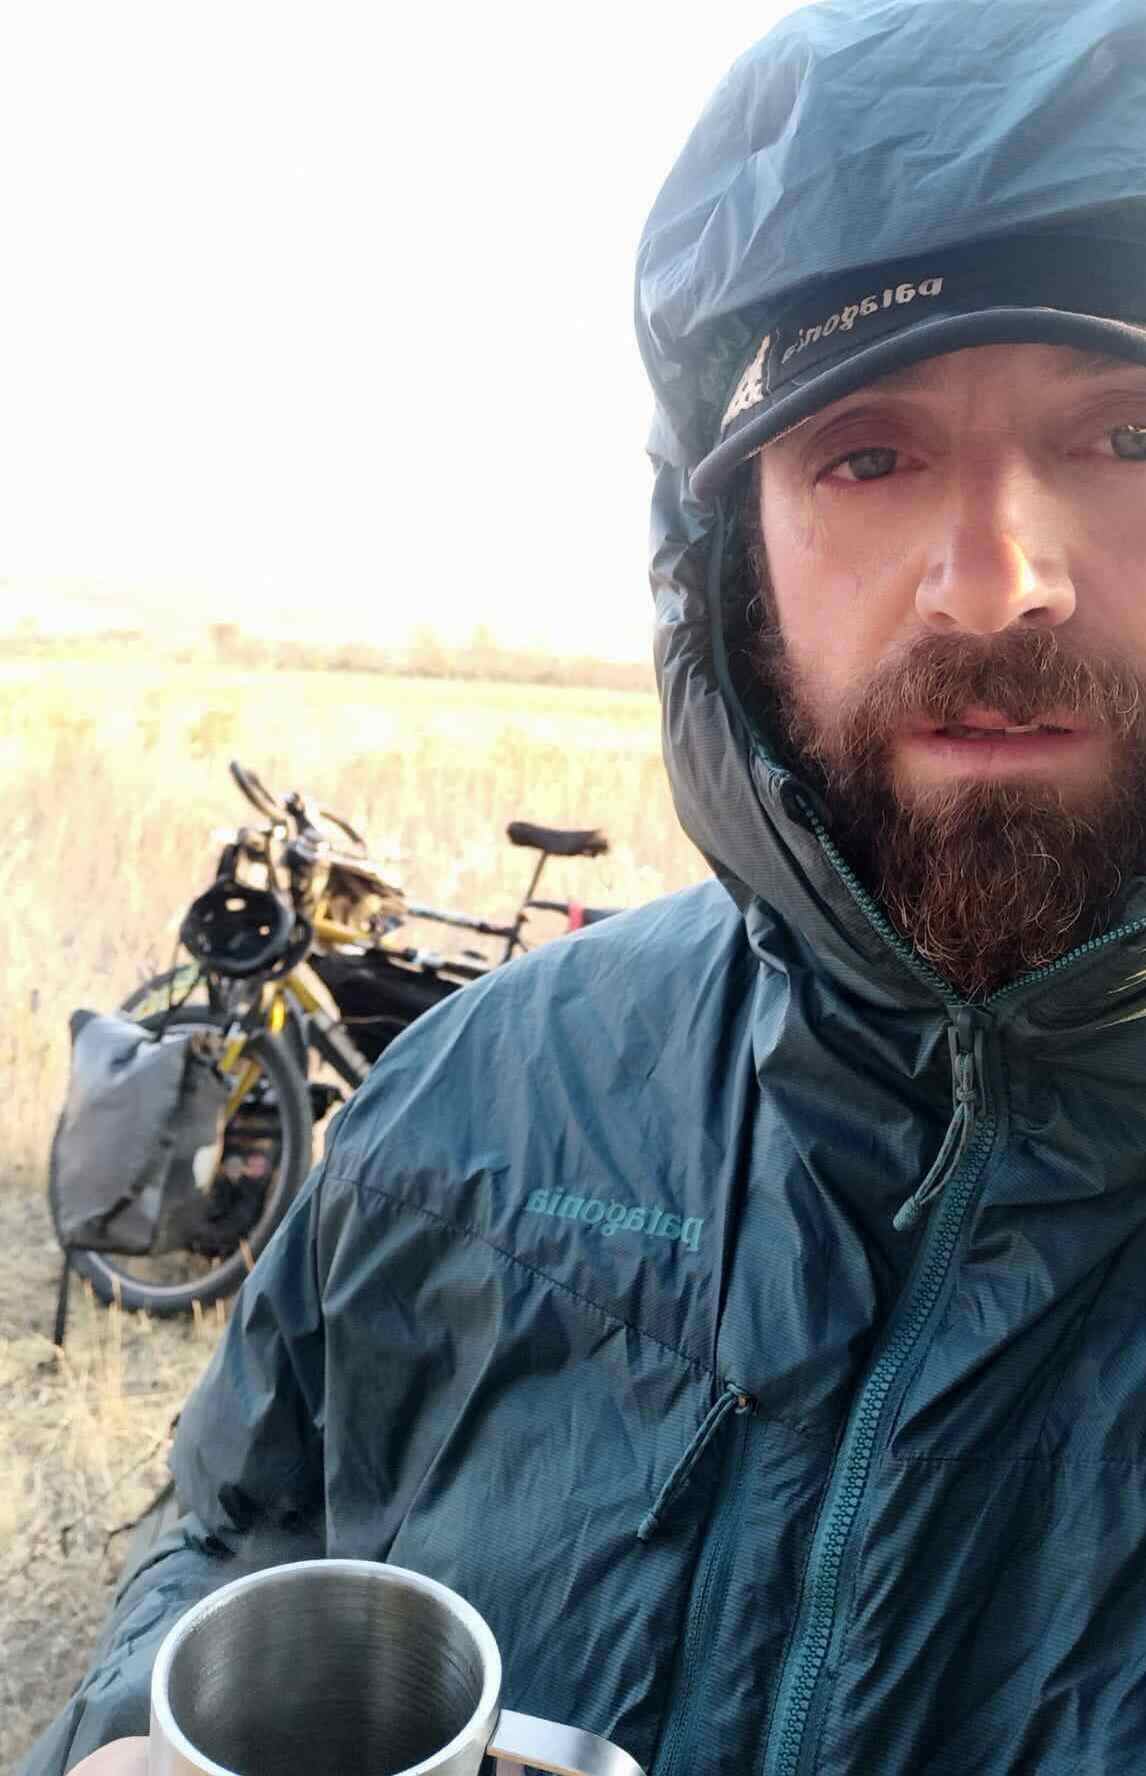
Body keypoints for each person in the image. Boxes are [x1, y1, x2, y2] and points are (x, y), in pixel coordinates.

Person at [26, 0, 1146, 1770]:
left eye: (1127, 440)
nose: (992, 580)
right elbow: (245, 1537)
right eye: (863, 452)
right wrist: (133, 1728)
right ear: (722, 563)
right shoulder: (471, 1102)